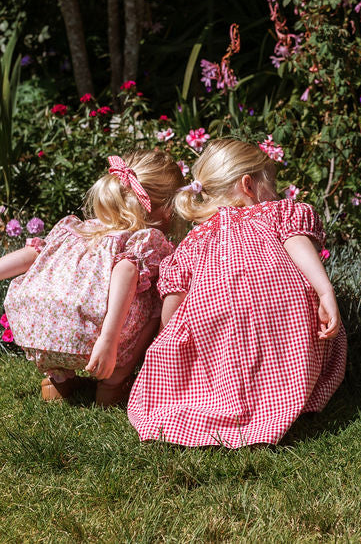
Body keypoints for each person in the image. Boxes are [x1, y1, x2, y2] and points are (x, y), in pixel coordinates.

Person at [127, 138, 346, 447]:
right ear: (248, 185)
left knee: (198, 339)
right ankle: (285, 400)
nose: (276, 193)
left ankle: (219, 406)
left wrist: (165, 342)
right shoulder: (276, 213)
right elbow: (298, 243)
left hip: (219, 343)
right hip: (286, 335)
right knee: (298, 320)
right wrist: (325, 292)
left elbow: (174, 299)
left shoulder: (195, 239)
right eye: (272, 185)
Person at [0, 150, 185, 407]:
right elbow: (127, 271)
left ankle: (60, 381)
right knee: (157, 297)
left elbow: (33, 254)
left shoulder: (76, 228)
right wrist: (107, 341)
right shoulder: (144, 240)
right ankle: (113, 384)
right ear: (167, 207)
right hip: (97, 336)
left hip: (42, 330)